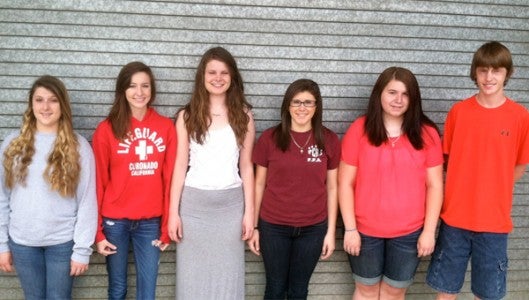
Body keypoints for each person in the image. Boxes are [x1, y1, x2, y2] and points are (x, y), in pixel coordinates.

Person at [426, 41, 529, 300]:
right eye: (483, 70)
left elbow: (518, 167)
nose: (489, 77)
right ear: (475, 73)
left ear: (508, 73)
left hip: (494, 224)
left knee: (487, 295)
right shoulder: (459, 112)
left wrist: (494, 186)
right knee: (446, 292)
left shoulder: (520, 117)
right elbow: (446, 162)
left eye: (496, 71)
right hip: (454, 220)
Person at [339, 67, 444, 299]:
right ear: (379, 94)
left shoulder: (427, 134)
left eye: (405, 94)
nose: (398, 100)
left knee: (394, 292)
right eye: (392, 92)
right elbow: (345, 183)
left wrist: (429, 231)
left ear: (413, 99)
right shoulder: (360, 129)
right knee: (366, 290)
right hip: (364, 231)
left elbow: (435, 186)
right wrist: (350, 229)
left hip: (409, 233)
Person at [168, 46, 255, 300]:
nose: (218, 78)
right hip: (194, 208)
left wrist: (250, 213)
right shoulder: (186, 116)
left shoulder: (244, 116)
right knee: (192, 280)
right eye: (212, 72)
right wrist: (173, 213)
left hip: (230, 208)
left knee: (228, 280)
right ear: (202, 77)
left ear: (232, 77)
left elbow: (247, 166)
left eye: (224, 73)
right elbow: (179, 166)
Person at [0, 75, 97, 299]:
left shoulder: (78, 146)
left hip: (62, 243)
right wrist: (2, 245)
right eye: (39, 100)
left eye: (53, 100)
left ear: (62, 104)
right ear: (31, 104)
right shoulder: (12, 144)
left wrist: (82, 250)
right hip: (23, 243)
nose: (45, 107)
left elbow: (87, 201)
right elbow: (2, 198)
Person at [248, 78, 340, 299]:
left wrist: (330, 232)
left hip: (313, 228)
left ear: (317, 107)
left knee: (299, 289)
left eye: (308, 102)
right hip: (273, 226)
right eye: (296, 102)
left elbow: (333, 188)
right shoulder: (270, 138)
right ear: (287, 106)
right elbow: (259, 184)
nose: (302, 108)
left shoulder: (329, 140)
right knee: (275, 288)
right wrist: (255, 227)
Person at [92, 61, 177, 299]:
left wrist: (166, 226)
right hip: (114, 222)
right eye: (132, 86)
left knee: (147, 292)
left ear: (152, 90)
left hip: (150, 223)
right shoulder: (106, 130)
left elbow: (169, 179)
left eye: (145, 86)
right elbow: (98, 183)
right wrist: (97, 234)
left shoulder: (165, 127)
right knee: (117, 289)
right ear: (122, 90)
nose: (139, 93)